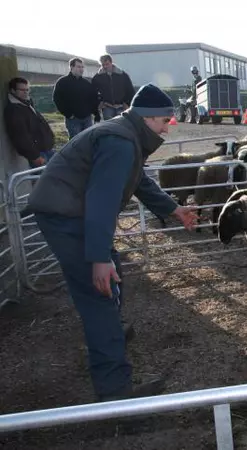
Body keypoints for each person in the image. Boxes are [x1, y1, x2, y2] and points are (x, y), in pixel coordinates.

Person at [25, 83, 199, 402]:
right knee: (99, 293)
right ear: (147, 118)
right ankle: (115, 394)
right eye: (164, 121)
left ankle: (112, 335)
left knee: (111, 270)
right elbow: (102, 199)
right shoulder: (120, 141)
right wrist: (97, 258)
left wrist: (172, 209)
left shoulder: (125, 134)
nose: (167, 128)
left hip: (69, 209)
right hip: (66, 215)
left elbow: (139, 180)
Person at [3, 77, 56, 168]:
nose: (26, 92)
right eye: (22, 90)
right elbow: (20, 136)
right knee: (42, 180)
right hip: (38, 155)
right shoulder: (14, 110)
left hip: (46, 149)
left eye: (27, 89)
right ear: (13, 90)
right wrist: (35, 156)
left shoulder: (26, 104)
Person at [53, 58, 100, 139]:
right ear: (71, 67)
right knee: (75, 143)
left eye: (82, 67)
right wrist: (68, 114)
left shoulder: (86, 83)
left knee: (88, 140)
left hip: (87, 118)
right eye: (78, 67)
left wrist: (96, 113)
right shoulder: (63, 82)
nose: (81, 69)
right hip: (73, 119)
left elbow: (93, 99)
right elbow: (57, 99)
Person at [92, 54, 136, 120]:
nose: (105, 66)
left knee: (121, 127)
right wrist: (100, 102)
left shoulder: (122, 75)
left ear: (111, 62)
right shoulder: (98, 77)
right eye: (103, 65)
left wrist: (127, 103)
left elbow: (130, 90)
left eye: (107, 64)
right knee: (109, 128)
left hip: (121, 107)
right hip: (107, 107)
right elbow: (93, 92)